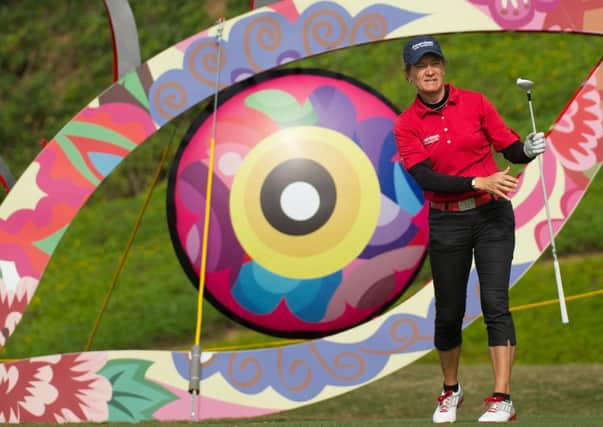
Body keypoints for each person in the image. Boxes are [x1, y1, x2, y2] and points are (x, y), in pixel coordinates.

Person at [394, 35, 545, 423]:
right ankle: (450, 390)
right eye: (420, 66)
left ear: (443, 68)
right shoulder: (407, 125)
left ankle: (502, 398)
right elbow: (425, 177)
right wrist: (477, 182)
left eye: (435, 63)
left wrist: (527, 149)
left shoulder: (475, 102)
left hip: (492, 216)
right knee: (448, 312)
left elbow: (508, 147)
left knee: (496, 305)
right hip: (447, 220)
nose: (429, 70)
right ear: (409, 75)